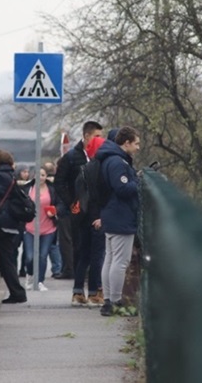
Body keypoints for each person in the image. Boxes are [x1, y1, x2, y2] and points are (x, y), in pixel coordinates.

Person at [96, 126, 140, 316]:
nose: (138, 147)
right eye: (136, 143)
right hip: (121, 215)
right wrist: (137, 182)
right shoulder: (118, 162)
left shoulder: (109, 158)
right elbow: (122, 188)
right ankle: (114, 301)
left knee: (110, 258)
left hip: (111, 213)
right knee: (120, 262)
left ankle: (109, 299)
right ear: (126, 143)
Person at [53, 121, 104, 279]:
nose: (100, 140)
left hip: (95, 208)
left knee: (93, 247)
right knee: (77, 245)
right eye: (97, 136)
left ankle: (91, 279)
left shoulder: (100, 156)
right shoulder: (71, 157)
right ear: (87, 136)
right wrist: (71, 202)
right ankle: (77, 279)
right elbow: (59, 182)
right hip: (76, 209)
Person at [71, 136, 107, 307]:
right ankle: (94, 292)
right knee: (97, 256)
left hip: (83, 217)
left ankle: (78, 291)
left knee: (84, 255)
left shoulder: (84, 168)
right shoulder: (102, 168)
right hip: (97, 217)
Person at [0, 150, 27, 304]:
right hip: (8, 223)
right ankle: (17, 292)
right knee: (7, 259)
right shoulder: (8, 175)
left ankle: (18, 293)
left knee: (6, 260)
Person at [42, 161, 63, 277]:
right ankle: (57, 268)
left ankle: (56, 268)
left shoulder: (50, 188)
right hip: (49, 219)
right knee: (54, 246)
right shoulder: (56, 184)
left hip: (48, 220)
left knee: (51, 247)